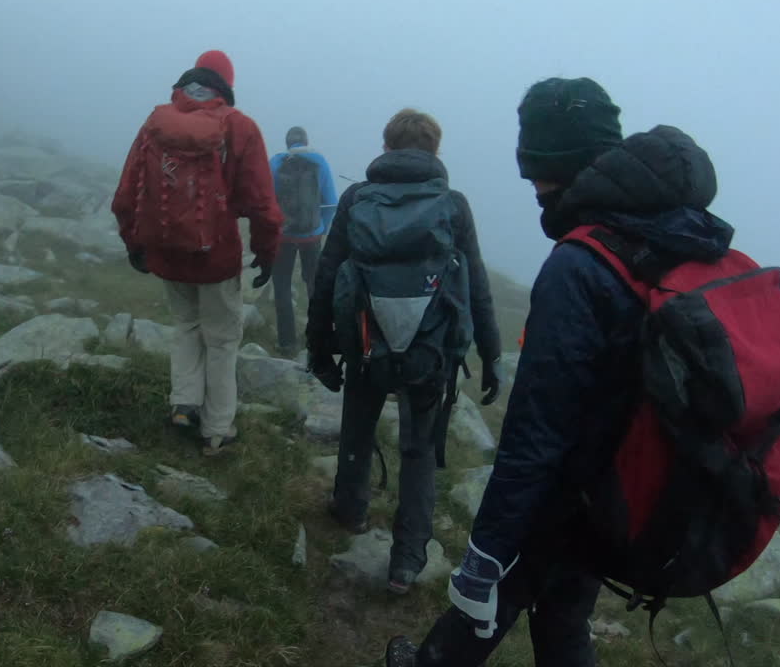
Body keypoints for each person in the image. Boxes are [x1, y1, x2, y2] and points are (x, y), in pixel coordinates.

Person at [385, 77, 732, 666]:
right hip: (621, 486)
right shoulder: (669, 233)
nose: (533, 189)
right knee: (566, 619)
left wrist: (486, 553)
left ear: (558, 167)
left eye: (534, 173)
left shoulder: (579, 264)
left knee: (481, 611)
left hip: (564, 495)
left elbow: (536, 433)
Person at [306, 108, 503, 595]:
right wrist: (492, 354)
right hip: (430, 352)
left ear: (387, 146)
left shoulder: (357, 199)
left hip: (365, 343)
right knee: (418, 450)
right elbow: (476, 284)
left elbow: (327, 277)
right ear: (434, 150)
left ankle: (349, 509)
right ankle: (407, 560)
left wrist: (320, 348)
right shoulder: (453, 204)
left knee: (357, 426)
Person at [111, 50, 282, 456]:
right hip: (217, 255)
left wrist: (134, 243)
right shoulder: (239, 127)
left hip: (167, 251)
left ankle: (184, 404)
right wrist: (266, 251)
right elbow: (262, 204)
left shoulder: (156, 124)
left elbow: (125, 194)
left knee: (186, 325)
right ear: (227, 84)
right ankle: (217, 429)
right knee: (222, 340)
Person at [268, 126, 338, 358]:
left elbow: (267, 200)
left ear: (288, 143)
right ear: (306, 141)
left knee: (282, 287)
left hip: (283, 236)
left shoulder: (277, 162)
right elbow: (331, 201)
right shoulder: (319, 161)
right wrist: (321, 229)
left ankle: (286, 343)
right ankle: (316, 341)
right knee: (314, 288)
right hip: (312, 236)